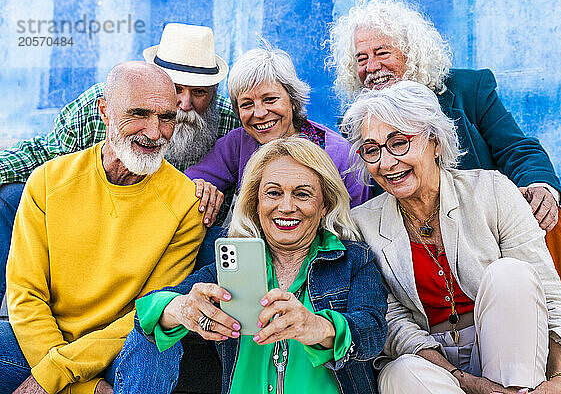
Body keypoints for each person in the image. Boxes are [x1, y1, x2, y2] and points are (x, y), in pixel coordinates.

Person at [328, 0, 561, 369]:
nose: (372, 67)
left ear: (411, 51)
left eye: (382, 53)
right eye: (361, 58)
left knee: (548, 216)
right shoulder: (361, 118)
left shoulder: (467, 89)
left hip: (483, 219)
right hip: (410, 231)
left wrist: (539, 186)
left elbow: (517, 146)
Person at [345, 82, 561, 394]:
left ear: (436, 142)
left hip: (507, 346)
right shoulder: (362, 224)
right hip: (428, 360)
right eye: (372, 150)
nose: (386, 163)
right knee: (400, 373)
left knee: (511, 275)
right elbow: (392, 322)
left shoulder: (492, 190)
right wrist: (466, 381)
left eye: (399, 142)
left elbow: (550, 295)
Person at [112, 137, 388, 394]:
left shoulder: (353, 260)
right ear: (256, 202)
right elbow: (146, 313)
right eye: (273, 193)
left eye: (302, 194)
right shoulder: (231, 263)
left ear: (325, 205)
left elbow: (373, 331)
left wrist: (317, 327)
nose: (287, 206)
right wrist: (181, 309)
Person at [0, 61, 204, 394]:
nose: (155, 132)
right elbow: (26, 296)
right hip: (45, 345)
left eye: (166, 117)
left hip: (121, 351)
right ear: (104, 111)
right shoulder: (48, 182)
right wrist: (78, 387)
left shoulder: (185, 203)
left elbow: (148, 310)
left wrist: (54, 375)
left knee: (156, 346)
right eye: (139, 114)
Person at [0, 23, 239, 303]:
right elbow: (45, 152)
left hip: (169, 241)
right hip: (92, 227)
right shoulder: (101, 104)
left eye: (199, 92)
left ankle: (177, 327)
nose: (184, 104)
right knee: (9, 198)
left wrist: (204, 190)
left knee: (219, 244)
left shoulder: (226, 122)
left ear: (214, 92)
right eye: (176, 88)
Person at [185, 46, 371, 212]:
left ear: (293, 101)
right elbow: (189, 182)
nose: (259, 113)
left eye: (270, 100)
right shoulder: (239, 143)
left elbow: (355, 222)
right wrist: (201, 186)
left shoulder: (339, 153)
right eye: (247, 104)